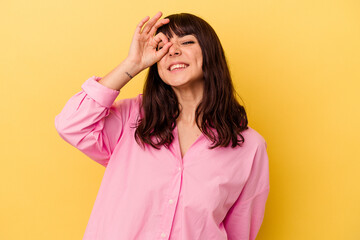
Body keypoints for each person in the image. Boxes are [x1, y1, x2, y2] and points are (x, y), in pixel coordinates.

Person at [55, 11, 270, 240]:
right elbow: (71, 124)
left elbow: (240, 232)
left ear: (209, 53)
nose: (174, 50)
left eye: (187, 41)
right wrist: (133, 64)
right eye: (164, 46)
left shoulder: (249, 147)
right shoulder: (131, 119)